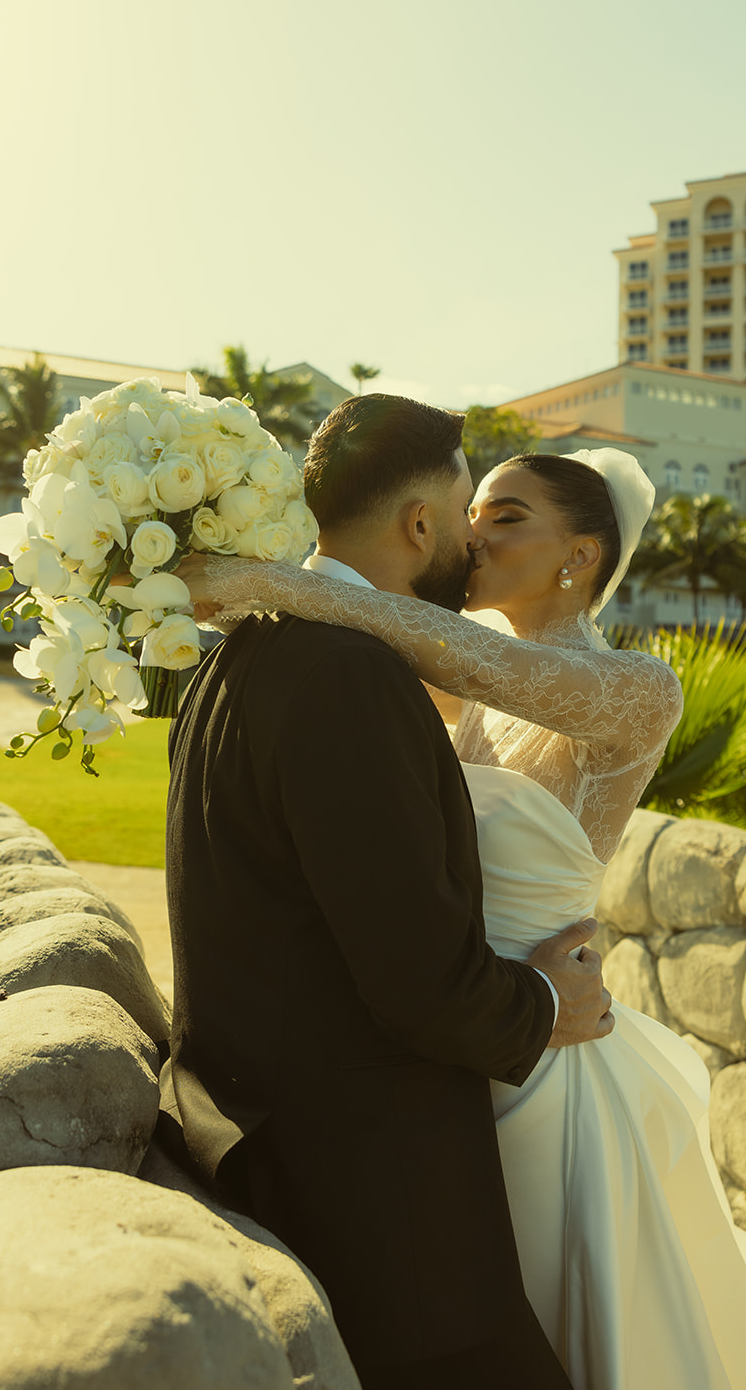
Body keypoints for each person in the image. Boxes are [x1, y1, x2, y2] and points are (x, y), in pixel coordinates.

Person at [180, 395, 746, 1390]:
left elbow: (446, 641)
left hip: (538, 1048)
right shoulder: (447, 684)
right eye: (474, 509)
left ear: (581, 557)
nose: (473, 529)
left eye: (507, 516)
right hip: (462, 1034)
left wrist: (268, 579)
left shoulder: (633, 689)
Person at [163, 394, 615, 1390]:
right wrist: (547, 999)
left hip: (271, 1140)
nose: (469, 537)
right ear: (419, 525)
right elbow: (419, 980)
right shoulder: (347, 675)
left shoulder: (238, 652)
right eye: (463, 513)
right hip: (370, 1194)